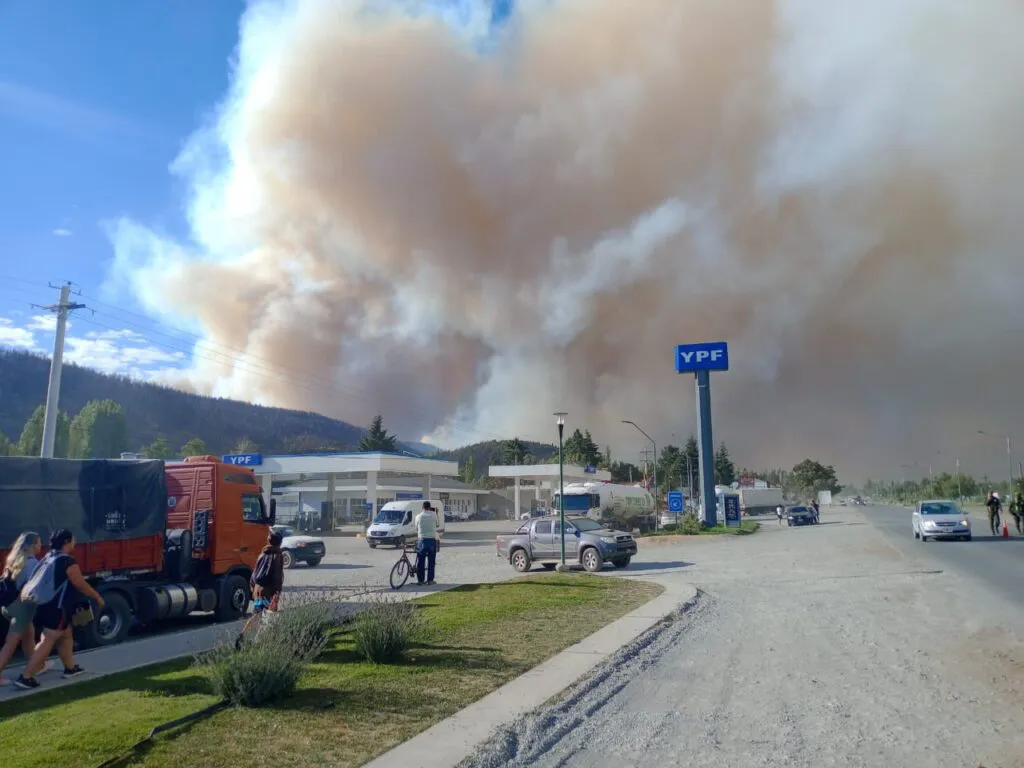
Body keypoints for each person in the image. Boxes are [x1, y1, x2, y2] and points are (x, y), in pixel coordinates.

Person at [14, 529, 104, 691]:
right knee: (48, 639)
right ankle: (26, 677)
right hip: (59, 607)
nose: (75, 542)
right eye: (73, 540)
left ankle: (70, 668)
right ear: (66, 542)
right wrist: (96, 596)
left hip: (46, 604)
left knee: (66, 635)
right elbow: (79, 583)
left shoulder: (48, 557)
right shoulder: (67, 561)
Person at [0, 532, 44, 685]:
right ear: (32, 546)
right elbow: (36, 587)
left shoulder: (13, 559)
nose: (41, 546)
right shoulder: (32, 563)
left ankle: (36, 665)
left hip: (8, 606)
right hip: (21, 609)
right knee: (11, 642)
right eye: (39, 543)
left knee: (28, 634)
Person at [238, 529, 285, 645]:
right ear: (279, 542)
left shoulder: (262, 554)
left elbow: (255, 573)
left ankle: (242, 635)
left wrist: (253, 587)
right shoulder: (278, 556)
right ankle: (260, 641)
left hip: (258, 591)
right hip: (269, 591)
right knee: (270, 616)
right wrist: (277, 592)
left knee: (257, 614)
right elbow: (277, 576)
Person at [415, 501, 439, 586]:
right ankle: (430, 580)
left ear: (422, 507)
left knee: (421, 561)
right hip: (431, 540)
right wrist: (436, 513)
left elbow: (416, 528)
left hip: (421, 540)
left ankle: (420, 580)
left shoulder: (418, 516)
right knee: (431, 561)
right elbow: (438, 525)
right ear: (429, 507)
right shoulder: (434, 515)